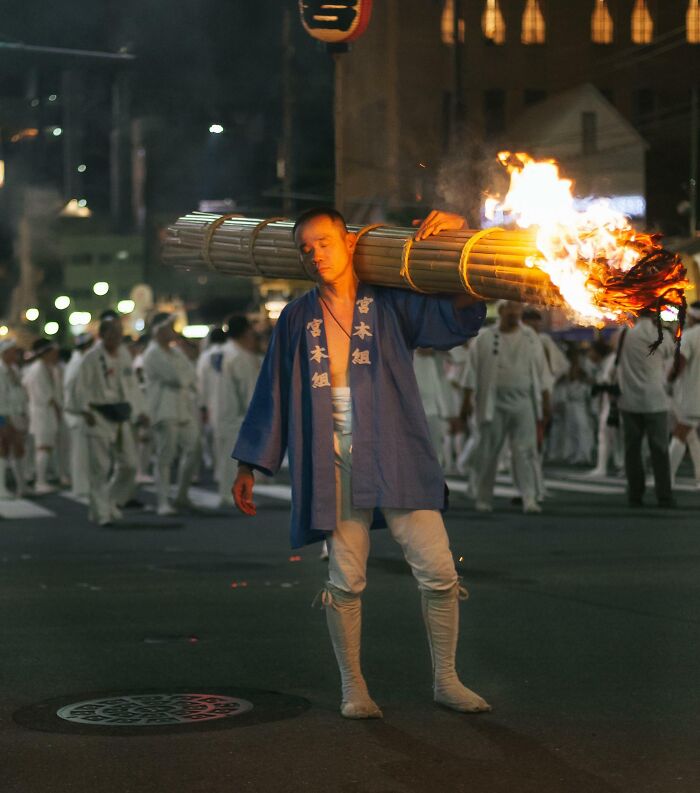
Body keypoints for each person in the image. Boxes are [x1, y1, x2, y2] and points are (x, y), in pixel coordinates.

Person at [232, 207, 490, 719]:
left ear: (349, 242)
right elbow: (274, 394)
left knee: (438, 571)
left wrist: (462, 240)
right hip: (331, 455)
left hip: (395, 446)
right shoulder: (296, 317)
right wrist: (249, 465)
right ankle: (354, 686)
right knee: (346, 579)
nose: (316, 255)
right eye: (306, 248)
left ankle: (447, 679)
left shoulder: (390, 303)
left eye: (324, 242)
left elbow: (456, 315)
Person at [462, 301, 550, 513]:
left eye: (517, 308)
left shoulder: (530, 337)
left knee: (525, 451)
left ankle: (529, 497)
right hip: (493, 402)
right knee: (488, 451)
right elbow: (471, 373)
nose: (514, 312)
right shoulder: (484, 338)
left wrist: (546, 402)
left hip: (524, 402)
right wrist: (465, 403)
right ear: (501, 311)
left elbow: (542, 373)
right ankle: (483, 498)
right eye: (509, 308)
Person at [68, 318, 148, 526]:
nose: (117, 337)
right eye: (112, 333)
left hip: (121, 412)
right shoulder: (91, 358)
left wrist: (140, 410)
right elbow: (79, 388)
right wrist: (84, 410)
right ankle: (101, 513)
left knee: (129, 464)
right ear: (102, 335)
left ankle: (110, 501)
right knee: (100, 468)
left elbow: (131, 385)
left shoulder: (123, 354)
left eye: (119, 333)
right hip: (98, 413)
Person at [143, 314, 199, 515]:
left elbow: (191, 375)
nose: (173, 331)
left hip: (182, 408)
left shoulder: (175, 352)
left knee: (194, 448)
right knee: (165, 456)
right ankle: (163, 501)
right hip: (163, 409)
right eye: (168, 328)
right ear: (158, 331)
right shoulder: (152, 354)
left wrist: (184, 377)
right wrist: (184, 377)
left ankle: (182, 495)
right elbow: (177, 378)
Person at [616, 310, 674, 506]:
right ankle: (664, 495)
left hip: (629, 400)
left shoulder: (624, 334)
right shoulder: (662, 335)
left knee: (632, 450)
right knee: (659, 450)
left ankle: (635, 494)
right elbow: (672, 356)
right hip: (655, 400)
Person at [217, 316, 261, 507]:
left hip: (220, 409)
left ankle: (227, 494)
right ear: (245, 332)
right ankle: (231, 496)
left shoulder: (221, 352)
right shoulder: (240, 357)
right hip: (237, 414)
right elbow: (248, 391)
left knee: (225, 456)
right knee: (233, 458)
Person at [22, 338, 62, 494]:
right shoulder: (38, 369)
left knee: (45, 446)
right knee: (43, 447)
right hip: (42, 411)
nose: (55, 355)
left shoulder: (45, 367)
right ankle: (40, 481)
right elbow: (45, 395)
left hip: (43, 411)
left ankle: (41, 478)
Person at [668, 301, 700, 486]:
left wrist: (669, 379)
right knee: (691, 437)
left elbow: (680, 363)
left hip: (692, 394)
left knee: (681, 433)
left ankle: (667, 477)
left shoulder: (690, 336)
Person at [63, 332, 94, 501]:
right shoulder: (78, 364)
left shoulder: (79, 362)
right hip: (78, 413)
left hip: (79, 411)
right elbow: (74, 391)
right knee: (80, 453)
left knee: (83, 452)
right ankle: (81, 486)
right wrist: (83, 409)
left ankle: (83, 485)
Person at [0, 339, 30, 499]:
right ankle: (2, 487)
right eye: (12, 351)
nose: (15, 354)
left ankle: (21, 485)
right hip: (3, 415)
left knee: (18, 448)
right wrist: (4, 420)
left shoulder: (14, 369)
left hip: (16, 413)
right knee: (3, 448)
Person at [196, 327, 226, 479]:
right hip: (230, 402)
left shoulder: (205, 357)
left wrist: (202, 405)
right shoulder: (232, 354)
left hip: (211, 403)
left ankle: (216, 468)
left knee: (213, 438)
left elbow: (200, 382)